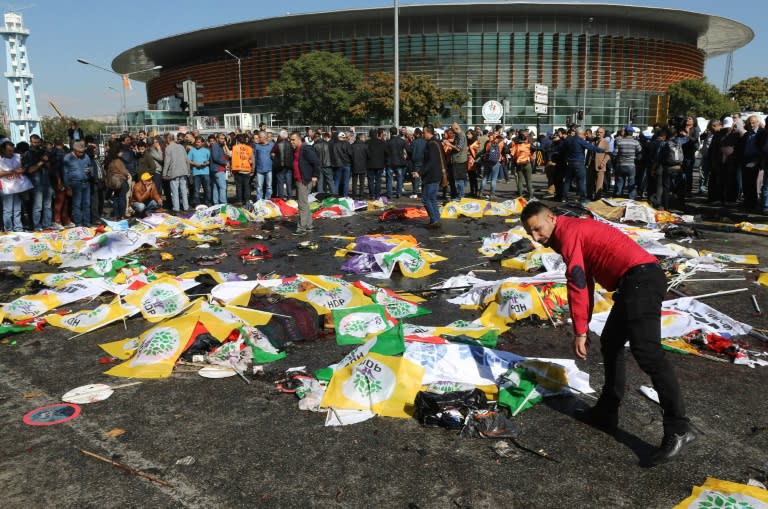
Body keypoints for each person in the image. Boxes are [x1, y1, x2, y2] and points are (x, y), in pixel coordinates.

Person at [521, 201, 695, 465]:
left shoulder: (568, 234)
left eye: (538, 229)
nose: (535, 237)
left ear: (552, 218)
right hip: (634, 282)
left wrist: (580, 331)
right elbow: (586, 281)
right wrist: (582, 324)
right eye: (530, 233)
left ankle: (679, 427)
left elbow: (577, 284)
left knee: (648, 353)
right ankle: (606, 411)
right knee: (612, 342)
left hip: (641, 280)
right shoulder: (568, 231)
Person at [562, 128, 605, 205]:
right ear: (580, 134)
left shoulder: (568, 140)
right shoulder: (580, 140)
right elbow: (591, 147)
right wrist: (603, 150)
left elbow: (562, 149)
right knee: (581, 181)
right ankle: (582, 199)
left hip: (569, 163)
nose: (585, 136)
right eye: (584, 134)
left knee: (567, 181)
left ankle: (564, 198)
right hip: (579, 163)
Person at [288, 131, 319, 235]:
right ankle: (309, 225)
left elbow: (316, 162)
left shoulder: (305, 149)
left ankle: (302, 228)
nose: (291, 142)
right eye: (290, 139)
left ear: (298, 139)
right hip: (300, 179)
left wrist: (315, 176)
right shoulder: (296, 150)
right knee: (304, 203)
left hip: (304, 180)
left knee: (302, 204)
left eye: (293, 139)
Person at [413, 125, 443, 229]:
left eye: (424, 132)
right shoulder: (436, 142)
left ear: (428, 132)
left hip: (431, 175)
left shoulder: (432, 144)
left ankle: (434, 219)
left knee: (426, 199)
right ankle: (436, 219)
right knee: (432, 198)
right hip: (436, 174)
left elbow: (431, 162)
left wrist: (419, 173)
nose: (422, 134)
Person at [23, 134, 53, 231]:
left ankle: (47, 224)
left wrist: (46, 160)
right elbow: (30, 170)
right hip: (36, 183)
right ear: (30, 142)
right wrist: (41, 162)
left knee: (48, 205)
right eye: (34, 142)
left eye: (38, 142)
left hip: (47, 181)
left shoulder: (43, 152)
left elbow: (49, 167)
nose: (36, 144)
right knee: (38, 206)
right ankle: (37, 226)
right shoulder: (27, 154)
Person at [62, 141, 94, 227]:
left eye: (83, 151)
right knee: (77, 205)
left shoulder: (86, 156)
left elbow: (91, 166)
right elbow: (65, 173)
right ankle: (78, 223)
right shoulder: (67, 158)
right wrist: (67, 187)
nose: (82, 153)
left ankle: (87, 223)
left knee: (87, 204)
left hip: (86, 183)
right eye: (80, 152)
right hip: (75, 184)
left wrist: (90, 171)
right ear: (74, 150)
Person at [0, 140, 26, 232]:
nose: (11, 152)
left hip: (17, 185)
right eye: (9, 151)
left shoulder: (17, 157)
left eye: (12, 150)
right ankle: (9, 230)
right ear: (3, 150)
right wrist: (12, 171)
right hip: (5, 187)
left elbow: (23, 169)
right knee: (8, 210)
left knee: (17, 209)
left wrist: (22, 170)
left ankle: (18, 228)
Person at [162, 133, 191, 213]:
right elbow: (187, 160)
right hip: (183, 171)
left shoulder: (168, 148)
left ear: (168, 139)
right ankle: (186, 207)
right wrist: (188, 171)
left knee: (175, 191)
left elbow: (167, 162)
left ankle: (176, 208)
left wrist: (164, 174)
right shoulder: (181, 147)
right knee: (184, 190)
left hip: (174, 172)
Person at [613, 127, 642, 199]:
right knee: (631, 182)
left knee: (620, 181)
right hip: (631, 165)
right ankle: (631, 198)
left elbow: (615, 154)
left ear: (625, 132)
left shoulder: (619, 141)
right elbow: (640, 152)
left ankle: (618, 196)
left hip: (620, 165)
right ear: (632, 133)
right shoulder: (636, 142)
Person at [104, 144, 131, 219]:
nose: (122, 153)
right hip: (121, 182)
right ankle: (122, 215)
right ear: (117, 153)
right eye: (121, 152)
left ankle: (116, 214)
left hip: (114, 183)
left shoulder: (110, 161)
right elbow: (124, 172)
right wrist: (127, 175)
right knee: (122, 198)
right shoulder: (118, 161)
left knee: (116, 198)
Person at [230, 134, 254, 206]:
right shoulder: (249, 148)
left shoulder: (235, 148)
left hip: (237, 170)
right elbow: (251, 160)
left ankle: (240, 201)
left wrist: (225, 145)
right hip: (246, 170)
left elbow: (229, 154)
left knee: (239, 186)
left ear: (237, 140)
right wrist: (252, 169)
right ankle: (247, 201)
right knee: (246, 186)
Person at [188, 136, 211, 207]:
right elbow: (188, 160)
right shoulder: (192, 151)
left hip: (205, 172)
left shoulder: (207, 150)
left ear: (202, 143)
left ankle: (207, 203)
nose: (197, 143)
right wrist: (196, 164)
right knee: (196, 190)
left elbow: (210, 160)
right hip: (196, 173)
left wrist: (207, 163)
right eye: (196, 142)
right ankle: (197, 204)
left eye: (199, 142)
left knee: (207, 189)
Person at [385, 127, 408, 199]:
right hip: (400, 162)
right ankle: (399, 193)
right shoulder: (402, 141)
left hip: (390, 162)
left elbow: (385, 152)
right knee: (400, 178)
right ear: (397, 132)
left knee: (389, 179)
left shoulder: (388, 142)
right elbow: (408, 149)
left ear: (390, 133)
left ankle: (389, 194)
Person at [253, 130, 274, 201]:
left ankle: (268, 201)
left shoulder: (271, 145)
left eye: (260, 137)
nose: (258, 139)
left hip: (269, 169)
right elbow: (255, 157)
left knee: (269, 186)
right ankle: (259, 201)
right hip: (259, 170)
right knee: (259, 187)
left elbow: (275, 156)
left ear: (264, 137)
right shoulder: (257, 146)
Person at [272, 130, 293, 199]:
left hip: (280, 166)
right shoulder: (291, 144)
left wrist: (275, 158)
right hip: (289, 166)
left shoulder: (277, 144)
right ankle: (290, 197)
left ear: (280, 136)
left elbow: (272, 153)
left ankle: (281, 198)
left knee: (280, 183)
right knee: (289, 182)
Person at [366, 128, 387, 199]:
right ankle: (377, 195)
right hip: (380, 164)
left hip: (370, 164)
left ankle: (372, 194)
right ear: (377, 134)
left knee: (370, 180)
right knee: (378, 180)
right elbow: (386, 153)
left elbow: (365, 153)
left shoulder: (367, 143)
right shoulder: (382, 142)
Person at [210, 133, 230, 205]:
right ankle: (223, 203)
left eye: (224, 139)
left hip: (217, 169)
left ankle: (216, 203)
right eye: (221, 138)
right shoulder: (215, 146)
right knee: (223, 187)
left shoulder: (220, 146)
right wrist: (225, 163)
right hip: (218, 169)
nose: (223, 140)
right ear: (217, 139)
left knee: (216, 187)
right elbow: (215, 158)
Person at [350, 132, 368, 199]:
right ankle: (361, 195)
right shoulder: (365, 146)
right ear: (360, 138)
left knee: (354, 182)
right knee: (362, 182)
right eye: (364, 137)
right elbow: (368, 155)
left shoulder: (352, 146)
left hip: (354, 165)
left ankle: (354, 195)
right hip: (363, 165)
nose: (365, 138)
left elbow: (350, 155)